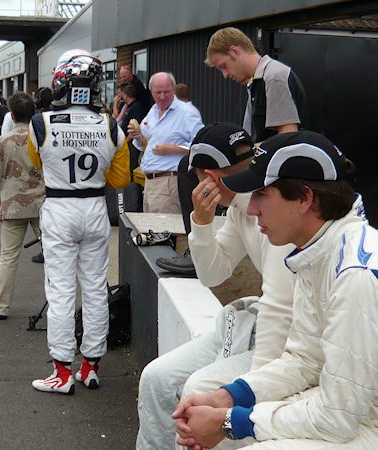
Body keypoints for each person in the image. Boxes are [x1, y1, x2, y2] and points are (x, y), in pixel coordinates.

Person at [174, 130, 378, 449]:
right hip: (359, 411)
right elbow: (304, 360)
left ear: (305, 198)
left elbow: (336, 418)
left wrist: (230, 422)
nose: (251, 210)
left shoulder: (358, 274)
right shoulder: (319, 250)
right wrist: (227, 396)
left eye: (262, 195)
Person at [136, 123, 296, 450]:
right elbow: (213, 275)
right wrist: (202, 224)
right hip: (258, 326)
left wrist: (256, 388)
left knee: (197, 394)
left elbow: (281, 316)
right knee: (157, 378)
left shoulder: (271, 211)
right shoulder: (242, 206)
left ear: (208, 175)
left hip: (284, 344)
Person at [157, 26, 307, 275]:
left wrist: (240, 156)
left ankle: (200, 239)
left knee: (189, 167)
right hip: (261, 166)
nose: (225, 75)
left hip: (275, 173)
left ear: (235, 51)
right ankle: (201, 239)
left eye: (223, 66)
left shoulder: (274, 76)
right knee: (190, 164)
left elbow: (288, 139)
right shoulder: (257, 81)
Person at [28, 49, 130, 395]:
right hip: (94, 208)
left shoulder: (40, 123)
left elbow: (38, 163)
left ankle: (61, 371)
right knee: (95, 289)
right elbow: (119, 180)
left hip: (60, 206)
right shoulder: (112, 125)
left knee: (60, 291)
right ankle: (90, 367)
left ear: (61, 80)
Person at [0, 92, 45, 320]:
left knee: (8, 257)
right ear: (33, 112)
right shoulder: (43, 138)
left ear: (12, 114)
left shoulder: (2, 141)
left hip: (12, 205)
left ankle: (0, 306)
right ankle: (58, 306)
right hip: (43, 206)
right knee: (55, 257)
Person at [128, 72, 203, 214]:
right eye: (158, 92)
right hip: (149, 182)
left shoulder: (187, 112)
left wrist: (175, 149)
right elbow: (145, 140)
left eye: (166, 92)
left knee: (164, 232)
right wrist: (137, 136)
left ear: (173, 90)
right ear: (151, 92)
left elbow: (201, 145)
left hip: (169, 181)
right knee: (151, 231)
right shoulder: (154, 110)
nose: (162, 97)